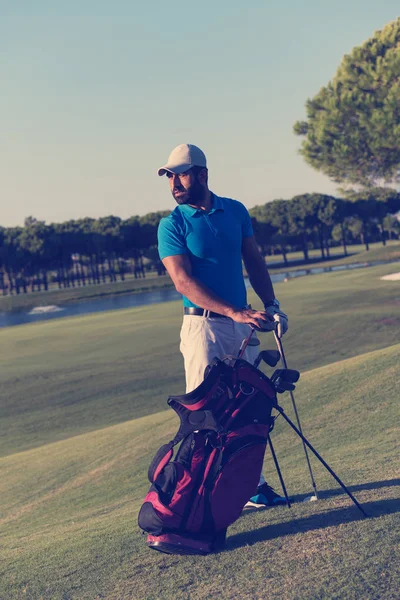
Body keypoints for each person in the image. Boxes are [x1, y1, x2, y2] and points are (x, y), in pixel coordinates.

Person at [157, 143, 289, 507]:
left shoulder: (234, 210)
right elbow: (184, 283)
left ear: (202, 174)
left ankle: (252, 487)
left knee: (246, 410)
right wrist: (235, 312)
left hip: (241, 324)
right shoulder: (172, 224)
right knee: (207, 415)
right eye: (169, 176)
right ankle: (203, 496)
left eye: (180, 174)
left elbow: (255, 261)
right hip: (204, 329)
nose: (174, 183)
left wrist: (272, 305)